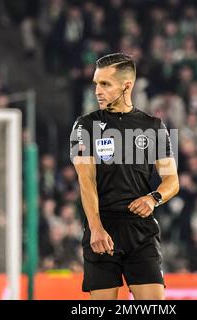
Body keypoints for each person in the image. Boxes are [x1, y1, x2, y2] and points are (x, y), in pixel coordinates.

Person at [70, 53, 179, 300]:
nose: (97, 90)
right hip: (103, 228)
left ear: (126, 85)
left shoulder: (153, 126)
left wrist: (153, 198)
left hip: (141, 231)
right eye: (96, 83)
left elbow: (172, 182)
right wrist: (96, 228)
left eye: (105, 84)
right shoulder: (85, 125)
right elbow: (85, 180)